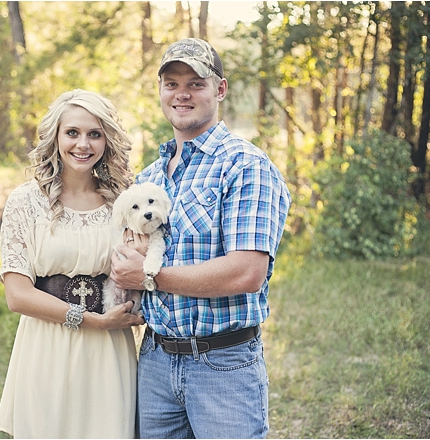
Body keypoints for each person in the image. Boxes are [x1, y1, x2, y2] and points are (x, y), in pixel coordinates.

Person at [109, 38, 292, 439]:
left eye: (196, 82)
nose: (182, 93)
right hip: (155, 360)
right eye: (171, 83)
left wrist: (149, 277)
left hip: (223, 364)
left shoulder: (245, 165)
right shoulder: (149, 179)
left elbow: (246, 273)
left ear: (220, 89)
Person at [0, 89, 145, 439]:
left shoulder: (124, 201)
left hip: (109, 350)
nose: (83, 144)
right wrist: (93, 321)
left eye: (95, 134)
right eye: (73, 133)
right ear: (56, 137)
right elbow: (17, 295)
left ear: (107, 140)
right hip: (49, 345)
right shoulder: (25, 202)